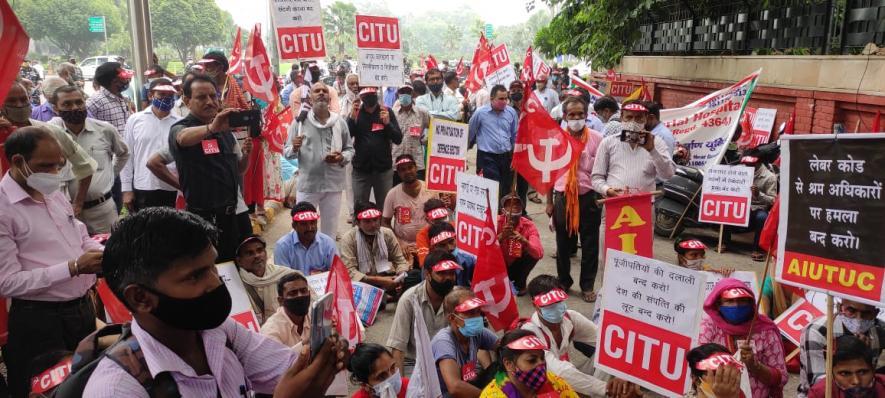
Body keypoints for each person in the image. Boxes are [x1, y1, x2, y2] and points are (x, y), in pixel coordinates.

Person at [87, 207, 347, 397]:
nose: (215, 282)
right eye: (196, 275)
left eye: (212, 267)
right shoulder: (117, 391)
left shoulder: (221, 333)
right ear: (141, 298)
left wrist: (320, 358)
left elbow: (288, 369)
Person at [0, 127, 104, 397]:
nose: (54, 174)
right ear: (17, 162)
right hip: (40, 321)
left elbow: (78, 235)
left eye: (57, 166)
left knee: (83, 384)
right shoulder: (3, 209)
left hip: (80, 312)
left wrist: (102, 253)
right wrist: (73, 268)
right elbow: (7, 283)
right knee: (45, 390)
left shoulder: (53, 193)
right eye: (45, 166)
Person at [168, 75, 252, 262]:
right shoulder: (180, 127)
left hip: (231, 216)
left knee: (233, 267)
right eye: (201, 97)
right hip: (203, 219)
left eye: (213, 96)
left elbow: (239, 170)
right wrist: (212, 127)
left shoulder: (224, 131)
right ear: (187, 101)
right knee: (210, 271)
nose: (209, 102)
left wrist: (247, 154)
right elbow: (182, 138)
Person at [0, 82, 96, 213]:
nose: (19, 105)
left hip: (51, 210)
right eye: (12, 100)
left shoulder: (50, 132)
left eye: (23, 99)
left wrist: (78, 204)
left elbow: (85, 167)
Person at [47, 86, 129, 234]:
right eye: (67, 104)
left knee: (109, 252)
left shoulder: (105, 130)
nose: (75, 108)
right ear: (55, 108)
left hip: (102, 211)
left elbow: (124, 154)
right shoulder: (51, 133)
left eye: (79, 102)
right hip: (65, 213)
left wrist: (111, 174)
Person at [546, 97, 604, 301]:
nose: (577, 118)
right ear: (564, 116)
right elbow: (550, 172)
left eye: (580, 114)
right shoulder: (556, 139)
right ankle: (563, 281)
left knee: (590, 244)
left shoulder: (597, 139)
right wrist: (549, 202)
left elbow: (602, 170)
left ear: (587, 115)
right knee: (563, 243)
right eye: (572, 115)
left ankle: (587, 286)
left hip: (589, 197)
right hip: (562, 197)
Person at [520, 275, 608, 397]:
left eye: (558, 302)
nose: (556, 308)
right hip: (542, 389)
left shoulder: (571, 318)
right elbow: (558, 372)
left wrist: (624, 377)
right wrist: (607, 388)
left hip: (563, 378)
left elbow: (605, 340)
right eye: (549, 305)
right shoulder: (530, 333)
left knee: (609, 356)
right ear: (535, 305)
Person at [285, 82, 353, 237]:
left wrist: (341, 157)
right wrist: (295, 147)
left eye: (324, 91)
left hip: (333, 184)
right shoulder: (299, 122)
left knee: (330, 228)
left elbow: (350, 149)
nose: (321, 93)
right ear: (310, 97)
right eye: (317, 91)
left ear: (329, 98)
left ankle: (327, 259)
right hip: (309, 184)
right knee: (302, 228)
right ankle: (301, 259)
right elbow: (287, 152)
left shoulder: (339, 122)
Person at [699, 279, 788, 398]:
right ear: (718, 304)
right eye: (730, 301)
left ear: (751, 303)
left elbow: (781, 377)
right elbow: (697, 367)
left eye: (742, 301)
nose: (736, 305)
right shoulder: (709, 326)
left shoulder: (766, 330)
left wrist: (755, 366)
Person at [387, 249, 460, 374]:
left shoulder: (459, 297)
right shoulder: (409, 299)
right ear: (427, 274)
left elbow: (474, 338)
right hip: (415, 363)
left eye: (452, 273)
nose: (448, 278)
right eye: (442, 273)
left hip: (450, 361)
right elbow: (398, 348)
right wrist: (401, 389)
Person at [799, 299, 885, 397]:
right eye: (851, 311)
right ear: (840, 308)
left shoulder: (880, 330)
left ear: (875, 313)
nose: (859, 319)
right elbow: (817, 382)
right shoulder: (818, 331)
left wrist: (865, 354)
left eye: (866, 313)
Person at [120, 78, 181, 211]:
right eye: (161, 94)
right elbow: (127, 155)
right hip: (144, 185)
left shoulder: (180, 123)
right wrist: (126, 190)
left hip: (172, 186)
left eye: (170, 95)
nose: (166, 98)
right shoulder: (135, 120)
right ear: (150, 95)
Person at [433, 288, 498, 396]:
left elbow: (503, 347)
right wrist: (488, 395)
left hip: (466, 383)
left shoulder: (477, 333)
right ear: (452, 318)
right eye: (470, 313)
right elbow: (454, 387)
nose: (477, 317)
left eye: (478, 311)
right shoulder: (443, 341)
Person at [479, 329, 579, 398]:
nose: (541, 364)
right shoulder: (491, 395)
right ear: (509, 364)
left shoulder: (554, 381)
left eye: (542, 358)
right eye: (532, 360)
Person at [349, 87, 403, 212]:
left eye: (372, 93)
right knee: (359, 208)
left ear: (377, 94)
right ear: (361, 97)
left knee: (384, 208)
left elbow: (398, 139)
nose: (370, 96)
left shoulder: (386, 111)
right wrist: (352, 119)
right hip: (361, 170)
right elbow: (346, 137)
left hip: (383, 170)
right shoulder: (356, 112)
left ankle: (383, 231)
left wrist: (387, 124)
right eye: (366, 94)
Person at [383, 154, 438, 266]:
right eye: (403, 169)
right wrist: (399, 243)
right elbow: (385, 222)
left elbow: (438, 220)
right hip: (404, 246)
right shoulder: (392, 194)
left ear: (416, 168)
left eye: (410, 167)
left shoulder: (430, 189)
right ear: (398, 173)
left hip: (428, 243)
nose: (407, 171)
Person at [341, 201, 410, 290]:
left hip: (387, 277)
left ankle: (388, 294)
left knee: (413, 276)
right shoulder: (348, 239)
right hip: (364, 282)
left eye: (375, 220)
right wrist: (380, 280)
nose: (373, 225)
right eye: (367, 221)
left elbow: (400, 260)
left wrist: (400, 275)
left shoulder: (387, 233)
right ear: (357, 223)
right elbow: (350, 272)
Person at [468, 84, 518, 199]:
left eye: (506, 98)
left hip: (506, 157)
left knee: (506, 189)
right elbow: (470, 133)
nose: (504, 101)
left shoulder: (511, 112)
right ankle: (491, 215)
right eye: (501, 99)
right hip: (487, 157)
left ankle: (501, 215)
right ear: (492, 99)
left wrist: (515, 157)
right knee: (490, 189)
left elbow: (515, 136)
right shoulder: (480, 113)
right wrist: (462, 154)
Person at [723, 156, 776, 261]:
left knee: (762, 217)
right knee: (725, 208)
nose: (747, 166)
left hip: (758, 207)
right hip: (740, 204)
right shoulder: (739, 170)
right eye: (746, 164)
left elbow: (773, 200)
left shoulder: (770, 177)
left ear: (759, 163)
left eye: (751, 165)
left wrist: (758, 194)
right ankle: (724, 242)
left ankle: (757, 249)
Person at [235, 235, 295, 324]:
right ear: (239, 261)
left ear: (266, 253)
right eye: (249, 253)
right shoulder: (235, 285)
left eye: (259, 250)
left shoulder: (286, 275)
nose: (257, 256)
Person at [808, 335, 885, 398]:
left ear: (873, 369)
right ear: (832, 374)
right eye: (845, 373)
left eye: (862, 372)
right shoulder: (820, 393)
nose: (856, 381)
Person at [274, 202, 339, 274]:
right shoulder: (283, 246)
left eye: (312, 222)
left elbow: (337, 274)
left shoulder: (328, 244)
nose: (309, 228)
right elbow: (283, 279)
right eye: (304, 224)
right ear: (294, 226)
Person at [498, 194, 542, 295]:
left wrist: (524, 241)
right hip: (498, 265)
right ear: (503, 209)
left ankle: (520, 282)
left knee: (532, 253)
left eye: (518, 204)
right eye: (510, 204)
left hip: (516, 264)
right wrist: (500, 237)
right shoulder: (495, 222)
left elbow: (539, 253)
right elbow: (483, 249)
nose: (515, 206)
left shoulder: (529, 225)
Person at [260, 272, 313, 348]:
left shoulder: (315, 315)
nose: (300, 296)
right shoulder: (271, 331)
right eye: (293, 293)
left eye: (303, 291)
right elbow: (281, 360)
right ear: (281, 300)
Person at [391, 84, 431, 185]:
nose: (405, 94)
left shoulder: (422, 113)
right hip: (396, 162)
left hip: (416, 162)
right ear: (398, 94)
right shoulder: (392, 113)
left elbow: (434, 127)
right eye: (402, 92)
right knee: (397, 193)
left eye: (408, 92)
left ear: (412, 94)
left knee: (418, 192)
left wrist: (426, 139)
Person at [85, 62, 133, 135]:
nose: (127, 79)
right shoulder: (95, 101)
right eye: (123, 76)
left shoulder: (122, 98)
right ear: (114, 81)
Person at [427, 222, 476, 287]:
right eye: (442, 245)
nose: (449, 248)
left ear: (455, 238)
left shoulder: (469, 260)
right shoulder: (429, 265)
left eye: (451, 241)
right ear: (434, 247)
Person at [415, 198, 454, 266]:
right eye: (437, 220)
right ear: (427, 220)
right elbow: (424, 263)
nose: (441, 223)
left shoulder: (456, 227)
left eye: (443, 218)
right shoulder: (422, 235)